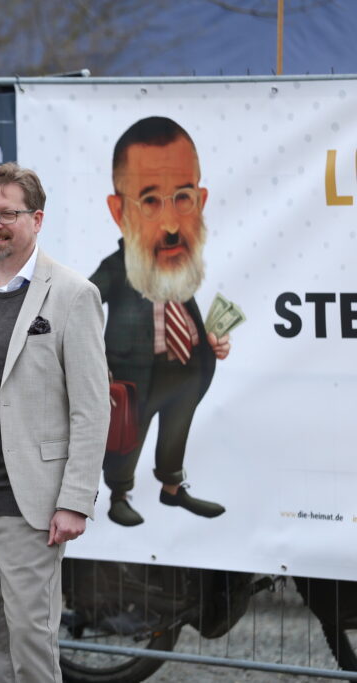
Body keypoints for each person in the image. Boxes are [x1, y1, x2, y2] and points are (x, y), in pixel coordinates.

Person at [0, 161, 109, 683]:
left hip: (29, 506)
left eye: (7, 213)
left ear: (37, 218)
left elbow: (92, 407)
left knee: (31, 638)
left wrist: (75, 500)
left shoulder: (74, 294)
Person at [90, 116, 231, 527]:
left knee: (176, 432)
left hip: (187, 369)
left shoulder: (178, 263)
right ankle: (119, 494)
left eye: (182, 198)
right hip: (134, 375)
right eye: (150, 201)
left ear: (200, 200)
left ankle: (172, 489)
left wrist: (207, 341)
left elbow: (183, 313)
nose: (171, 224)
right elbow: (79, 303)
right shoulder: (116, 268)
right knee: (127, 440)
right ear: (119, 211)